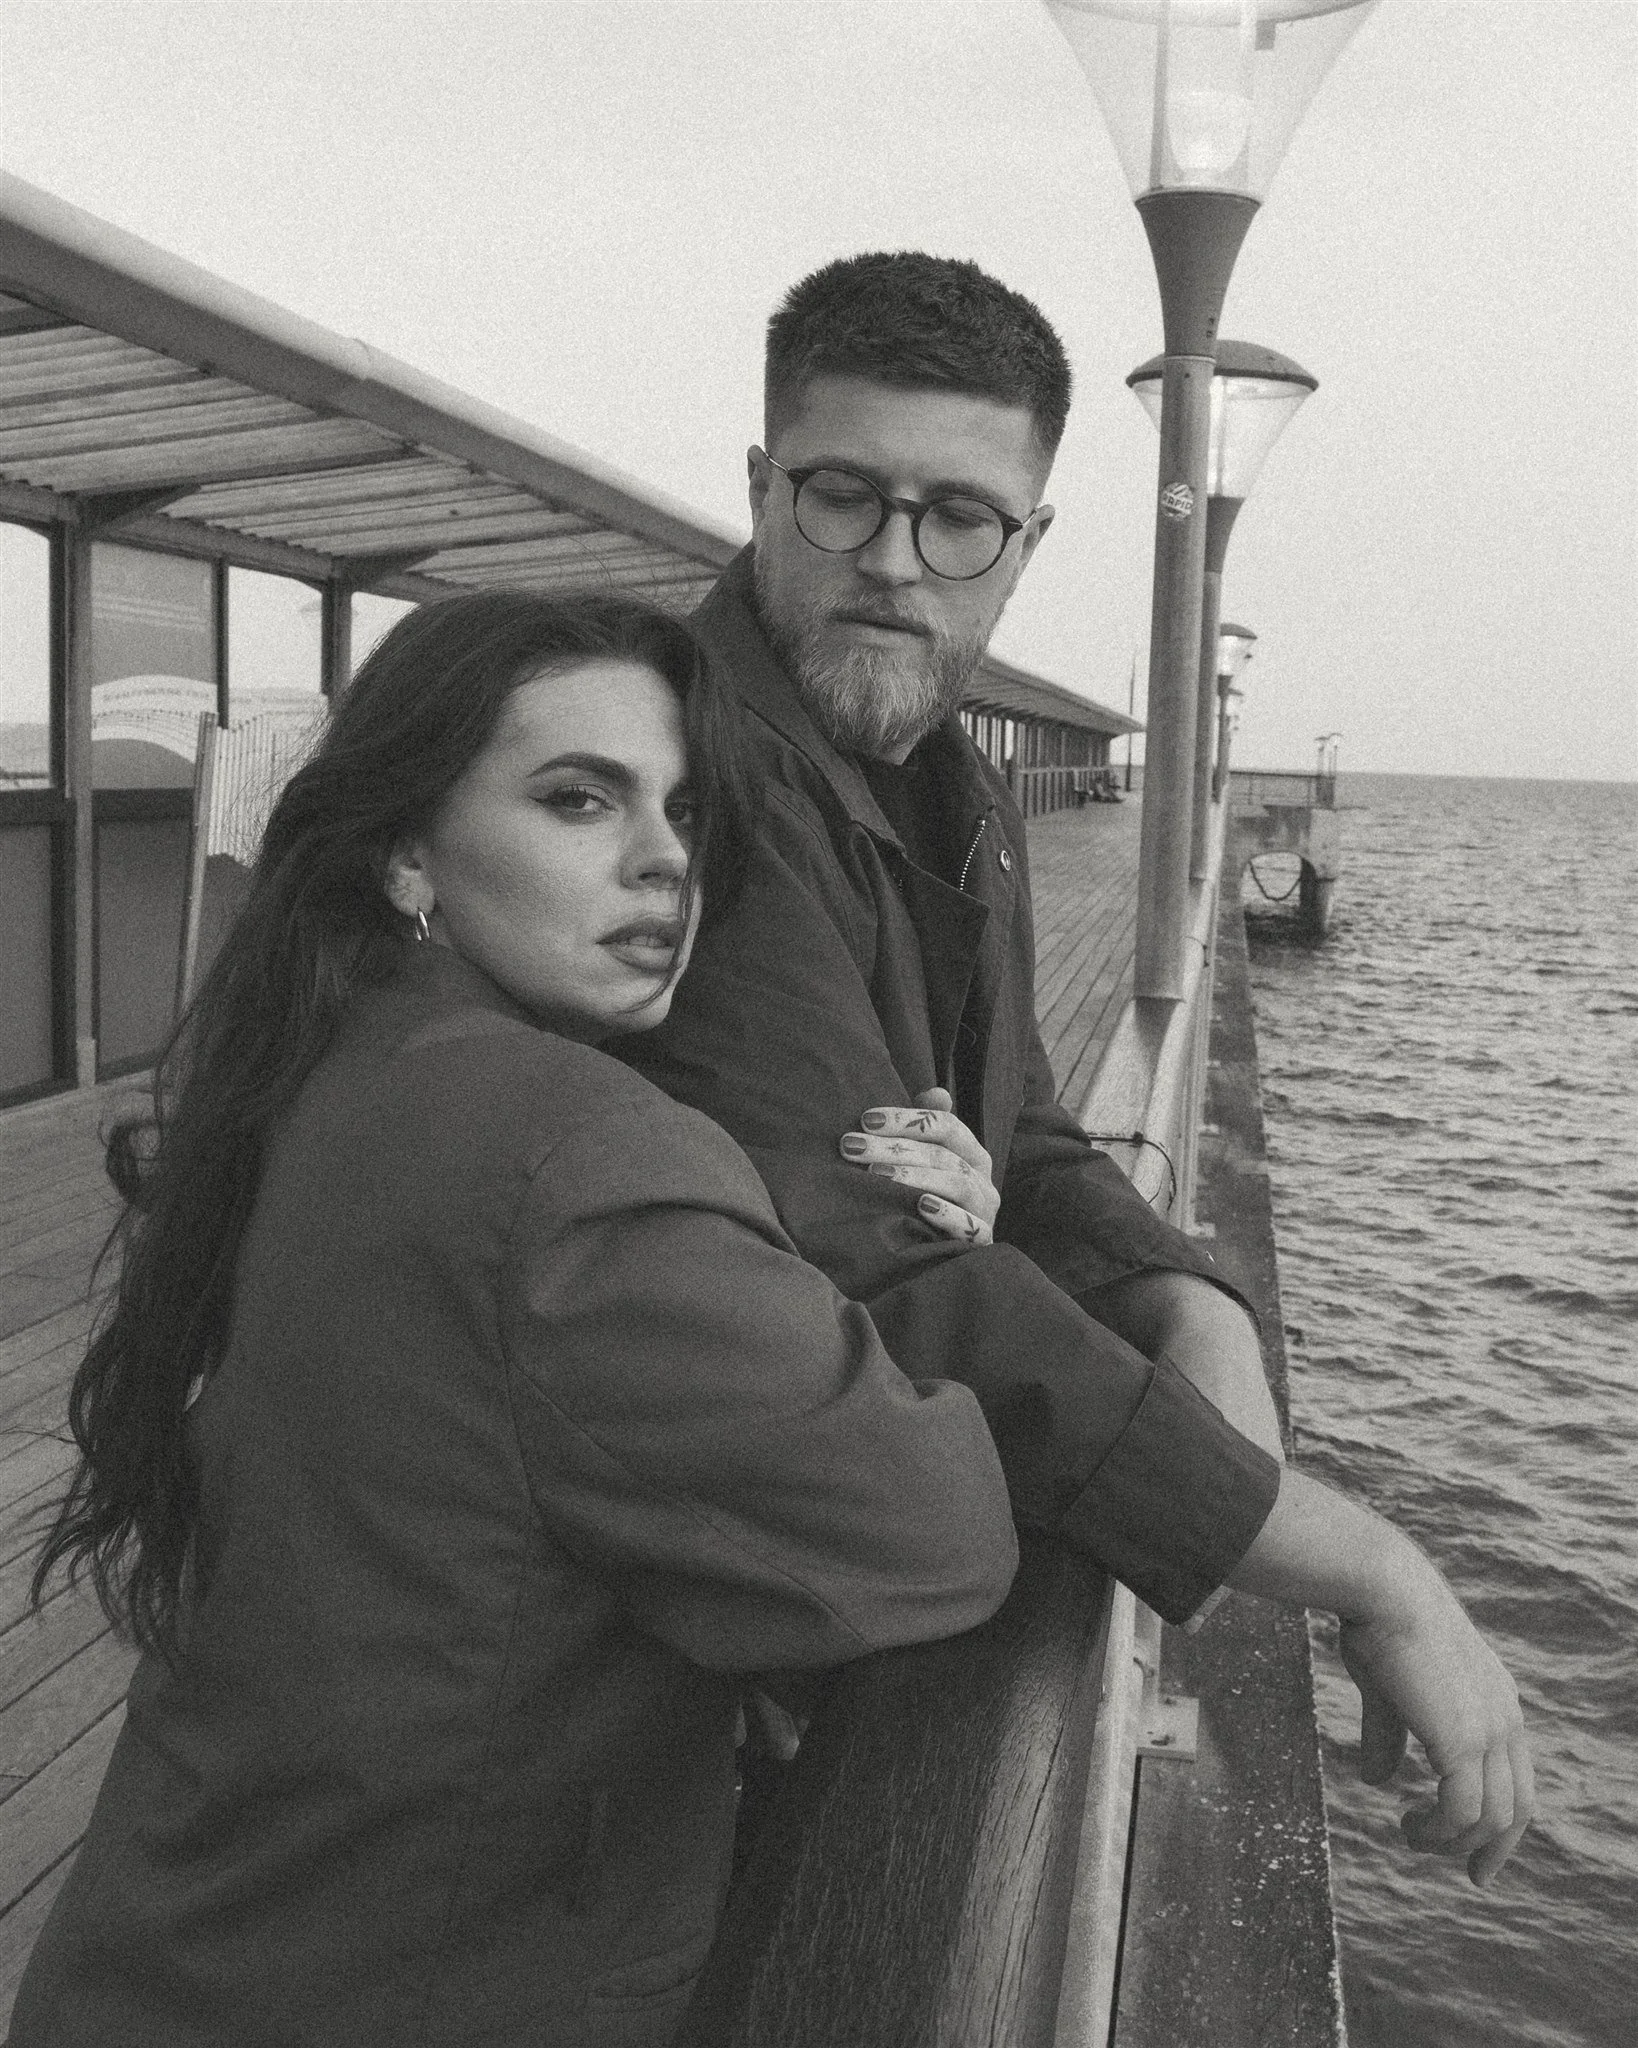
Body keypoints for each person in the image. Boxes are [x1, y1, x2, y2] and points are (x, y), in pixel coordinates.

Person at [618, 251, 1533, 1882]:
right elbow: (887, 1276)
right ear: (759, 488)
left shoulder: (951, 785)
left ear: (1027, 543)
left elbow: (1021, 1133)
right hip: (599, 1701)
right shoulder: (684, 779)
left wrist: (1194, 1306)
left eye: (958, 519)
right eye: (842, 495)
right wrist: (1367, 1565)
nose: (893, 560)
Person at [12, 592, 1021, 2048]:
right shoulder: (575, 1148)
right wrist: (907, 1248)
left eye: (684, 808)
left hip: (193, 1951)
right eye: (577, 800)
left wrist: (803, 1205)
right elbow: (934, 1534)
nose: (666, 857)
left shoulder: (330, 1067)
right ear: (408, 852)